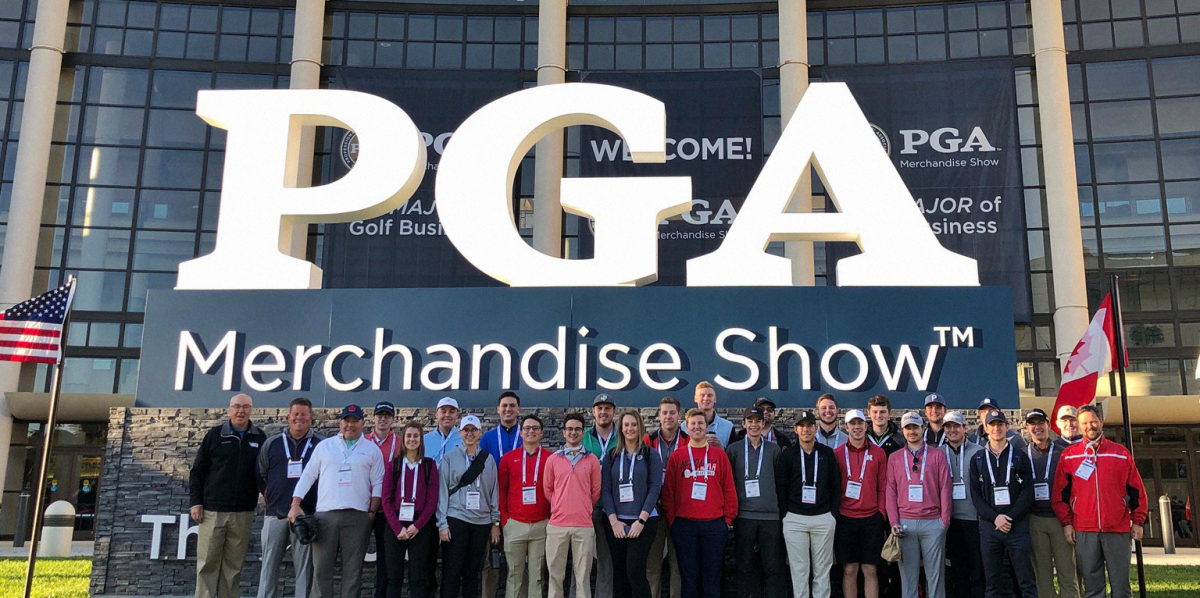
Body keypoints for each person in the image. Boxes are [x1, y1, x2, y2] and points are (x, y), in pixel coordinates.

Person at [289, 404, 385, 598]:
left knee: (353, 572)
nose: (350, 425)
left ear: (362, 423)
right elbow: (308, 476)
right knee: (321, 570)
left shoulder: (372, 449)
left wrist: (372, 513)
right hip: (325, 516)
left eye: (354, 421)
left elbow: (379, 483)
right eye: (346, 421)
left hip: (357, 517)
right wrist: (295, 504)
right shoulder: (325, 446)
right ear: (340, 422)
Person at [1051, 405, 1148, 598]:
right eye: (1085, 423)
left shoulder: (1120, 453)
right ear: (1079, 426)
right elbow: (1060, 496)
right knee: (1093, 588)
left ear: (1101, 422)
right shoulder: (1069, 456)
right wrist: (1067, 524)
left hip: (1117, 529)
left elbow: (1136, 489)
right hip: (1085, 531)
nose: (1090, 426)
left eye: (1093, 421)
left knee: (1121, 587)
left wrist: (1138, 520)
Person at [189, 393, 266, 598]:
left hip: (243, 512)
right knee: (207, 565)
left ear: (251, 410)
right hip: (212, 511)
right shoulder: (214, 436)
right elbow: (198, 471)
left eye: (246, 407)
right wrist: (196, 502)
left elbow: (264, 473)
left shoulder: (259, 437)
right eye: (237, 406)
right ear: (228, 409)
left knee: (233, 568)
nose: (241, 411)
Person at [662, 408, 738, 598]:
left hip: (714, 525)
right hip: (684, 526)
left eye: (700, 423)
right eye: (693, 424)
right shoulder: (678, 456)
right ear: (687, 428)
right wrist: (673, 521)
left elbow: (729, 487)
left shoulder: (719, 455)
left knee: (712, 579)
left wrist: (727, 520)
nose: (697, 427)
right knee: (689, 579)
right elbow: (668, 491)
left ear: (706, 427)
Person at [256, 398, 325, 598]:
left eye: (304, 414)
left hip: (306, 516)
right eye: (295, 414)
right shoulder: (272, 443)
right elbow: (261, 474)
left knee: (304, 570)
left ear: (311, 417)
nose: (299, 418)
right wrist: (271, 498)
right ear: (288, 417)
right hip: (275, 515)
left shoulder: (321, 444)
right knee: (268, 567)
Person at [969, 411, 1036, 598]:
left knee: (1026, 581)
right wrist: (995, 518)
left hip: (1017, 526)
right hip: (990, 528)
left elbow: (1028, 492)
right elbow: (975, 495)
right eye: (993, 425)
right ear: (986, 428)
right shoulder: (978, 459)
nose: (997, 428)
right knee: (993, 583)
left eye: (1000, 424)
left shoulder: (1020, 457)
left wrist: (1011, 517)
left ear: (1007, 427)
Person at [885, 412, 951, 598]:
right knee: (908, 580)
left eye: (915, 427)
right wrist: (893, 522)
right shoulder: (895, 458)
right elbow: (891, 491)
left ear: (923, 429)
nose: (912, 431)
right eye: (908, 428)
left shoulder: (937, 455)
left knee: (936, 578)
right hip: (905, 524)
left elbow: (945, 488)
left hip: (933, 523)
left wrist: (944, 522)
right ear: (903, 431)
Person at [778, 409, 841, 598]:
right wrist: (786, 515)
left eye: (809, 426)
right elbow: (781, 487)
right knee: (799, 570)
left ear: (815, 428)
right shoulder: (788, 455)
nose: (806, 430)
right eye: (801, 426)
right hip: (795, 519)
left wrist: (832, 515)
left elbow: (836, 485)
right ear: (796, 429)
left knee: (822, 570)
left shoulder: (827, 453)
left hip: (823, 518)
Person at [437, 414, 501, 598]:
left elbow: (493, 492)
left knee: (472, 573)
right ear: (460, 432)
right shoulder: (449, 459)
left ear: (480, 432)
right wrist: (442, 524)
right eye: (466, 430)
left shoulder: (488, 460)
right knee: (451, 572)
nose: (470, 433)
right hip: (456, 520)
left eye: (474, 430)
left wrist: (495, 523)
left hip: (481, 523)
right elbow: (442, 492)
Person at [602, 410, 664, 598]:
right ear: (621, 428)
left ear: (640, 427)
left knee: (635, 570)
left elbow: (655, 488)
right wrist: (613, 521)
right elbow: (605, 490)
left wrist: (641, 521)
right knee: (620, 573)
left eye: (634, 424)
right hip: (616, 522)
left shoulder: (650, 455)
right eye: (626, 425)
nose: (630, 428)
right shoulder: (611, 455)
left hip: (643, 522)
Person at [727, 406, 786, 598]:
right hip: (744, 515)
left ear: (764, 423)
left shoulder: (774, 449)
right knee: (744, 565)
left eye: (757, 421)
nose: (754, 425)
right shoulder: (733, 449)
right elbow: (728, 483)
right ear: (743, 424)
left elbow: (779, 481)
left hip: (771, 517)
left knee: (773, 566)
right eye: (750, 421)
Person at [544, 413, 602, 598]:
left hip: (583, 526)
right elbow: (548, 489)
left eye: (577, 429)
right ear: (563, 432)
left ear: (583, 432)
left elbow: (595, 492)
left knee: (583, 578)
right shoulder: (553, 460)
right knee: (555, 576)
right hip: (557, 526)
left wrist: (582, 507)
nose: (573, 432)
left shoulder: (592, 460)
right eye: (569, 429)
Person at [382, 420, 440, 598]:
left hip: (420, 526)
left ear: (421, 440)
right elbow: (386, 499)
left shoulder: (430, 466)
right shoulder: (394, 465)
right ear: (403, 439)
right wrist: (397, 527)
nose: (412, 439)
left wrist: (418, 526)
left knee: (418, 577)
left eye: (416, 436)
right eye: (409, 436)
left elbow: (432, 500)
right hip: (396, 525)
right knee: (394, 577)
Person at [833, 409, 888, 598]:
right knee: (849, 570)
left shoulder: (879, 453)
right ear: (846, 426)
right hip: (846, 518)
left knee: (870, 569)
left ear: (866, 426)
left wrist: (881, 513)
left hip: (871, 519)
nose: (856, 427)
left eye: (860, 423)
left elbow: (883, 486)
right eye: (852, 424)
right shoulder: (838, 453)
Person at [1024, 409, 1078, 598]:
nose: (1037, 427)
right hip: (1035, 519)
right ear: (1027, 428)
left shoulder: (1063, 454)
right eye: (1033, 424)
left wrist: (1069, 521)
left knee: (1067, 572)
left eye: (1041, 423)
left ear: (1048, 425)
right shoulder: (1022, 455)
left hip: (1059, 519)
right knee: (1042, 575)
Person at [498, 414, 552, 598]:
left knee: (537, 576)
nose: (531, 431)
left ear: (541, 432)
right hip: (514, 524)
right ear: (520, 433)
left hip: (541, 524)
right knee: (514, 575)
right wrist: (504, 520)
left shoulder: (550, 458)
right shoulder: (508, 458)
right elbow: (501, 491)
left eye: (535, 428)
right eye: (527, 428)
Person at [481, 391, 523, 598]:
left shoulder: (527, 435)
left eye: (512, 405)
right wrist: (493, 521)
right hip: (491, 506)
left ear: (518, 409)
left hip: (519, 508)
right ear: (498, 409)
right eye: (504, 405)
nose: (508, 409)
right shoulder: (487, 438)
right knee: (491, 563)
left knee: (518, 565)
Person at [644, 396, 687, 598]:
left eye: (672, 412)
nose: (668, 416)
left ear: (679, 415)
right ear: (658, 416)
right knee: (652, 567)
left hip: (680, 511)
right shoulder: (648, 441)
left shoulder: (689, 440)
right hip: (653, 509)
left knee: (678, 566)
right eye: (664, 412)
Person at [940, 412, 984, 598]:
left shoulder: (978, 452)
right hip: (950, 521)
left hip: (974, 519)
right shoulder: (938, 453)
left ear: (965, 428)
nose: (952, 430)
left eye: (956, 426)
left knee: (977, 568)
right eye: (948, 427)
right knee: (956, 570)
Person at [582, 393, 618, 598]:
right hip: (587, 508)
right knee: (582, 562)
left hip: (614, 509)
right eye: (599, 408)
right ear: (593, 412)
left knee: (607, 563)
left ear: (614, 411)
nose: (603, 412)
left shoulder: (622, 436)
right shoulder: (583, 437)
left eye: (607, 408)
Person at [367, 402, 402, 598]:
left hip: (388, 511)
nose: (383, 419)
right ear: (373, 418)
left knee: (386, 560)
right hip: (364, 509)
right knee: (353, 558)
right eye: (379, 415)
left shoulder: (401, 442)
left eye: (387, 415)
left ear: (393, 419)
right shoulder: (362, 441)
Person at [730, 397, 794, 448]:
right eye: (762, 409)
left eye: (769, 410)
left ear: (774, 413)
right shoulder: (739, 437)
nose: (766, 412)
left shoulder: (784, 440)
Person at [694, 381, 734, 446]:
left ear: (715, 399)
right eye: (702, 395)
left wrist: (721, 449)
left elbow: (733, 455)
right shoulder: (684, 427)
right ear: (695, 398)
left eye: (710, 395)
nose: (706, 398)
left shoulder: (728, 427)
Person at [425, 397, 463, 462]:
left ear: (457, 415)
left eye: (451, 412)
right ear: (436, 415)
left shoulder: (463, 440)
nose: (447, 415)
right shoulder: (424, 440)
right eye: (443, 412)